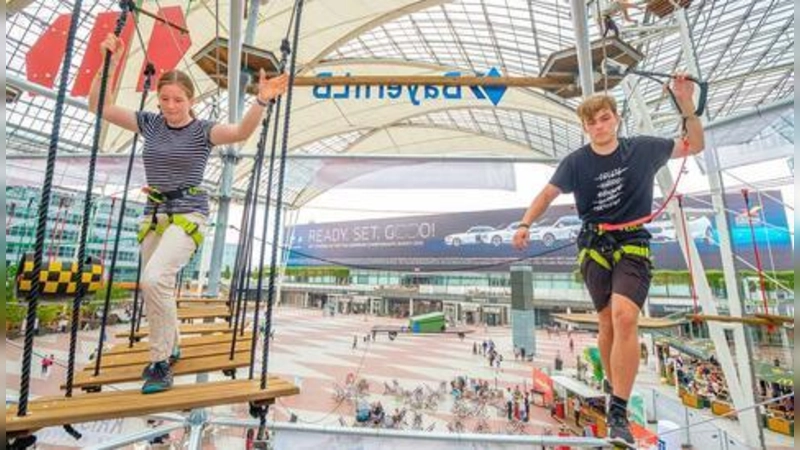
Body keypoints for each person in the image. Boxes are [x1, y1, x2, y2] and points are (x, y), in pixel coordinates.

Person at [89, 33, 288, 394]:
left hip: (189, 213)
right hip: (155, 213)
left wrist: (260, 100)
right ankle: (174, 344)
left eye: (178, 99)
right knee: (154, 288)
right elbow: (99, 106)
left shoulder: (202, 131)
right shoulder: (150, 123)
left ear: (191, 100)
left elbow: (241, 132)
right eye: (164, 99)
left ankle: (160, 361)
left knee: (153, 280)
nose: (170, 106)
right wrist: (109, 63)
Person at [512, 76, 704, 446]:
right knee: (606, 322)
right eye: (591, 122)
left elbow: (694, 144)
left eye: (604, 118)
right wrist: (525, 224)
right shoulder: (576, 163)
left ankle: (618, 411)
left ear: (616, 119)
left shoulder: (643, 149)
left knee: (625, 316)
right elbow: (547, 194)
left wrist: (686, 104)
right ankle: (614, 386)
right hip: (594, 243)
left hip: (632, 242)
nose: (599, 126)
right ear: (585, 128)